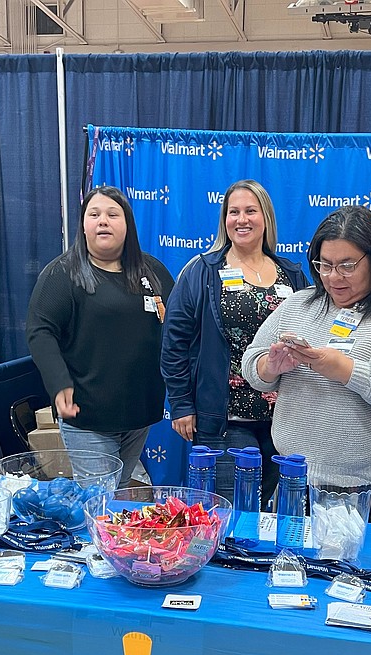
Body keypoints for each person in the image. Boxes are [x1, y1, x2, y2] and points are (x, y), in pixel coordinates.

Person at [241, 205, 371, 527]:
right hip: (301, 480)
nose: (333, 277)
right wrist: (270, 366)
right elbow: (253, 362)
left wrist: (349, 371)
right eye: (324, 265)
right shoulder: (299, 305)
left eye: (347, 266)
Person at [161, 180, 308, 503]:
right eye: (233, 212)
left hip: (281, 419)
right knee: (232, 510)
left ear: (265, 217)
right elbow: (174, 343)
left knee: (267, 510)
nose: (242, 219)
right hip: (225, 420)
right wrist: (181, 404)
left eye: (250, 211)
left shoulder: (292, 275)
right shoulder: (202, 272)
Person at [26, 186, 174, 486]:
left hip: (138, 414)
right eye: (94, 214)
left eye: (112, 214)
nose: (103, 221)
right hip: (87, 415)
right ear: (83, 224)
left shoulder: (152, 271)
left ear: (127, 224)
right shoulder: (62, 274)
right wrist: (59, 383)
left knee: (118, 494)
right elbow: (40, 330)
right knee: (99, 501)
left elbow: (178, 326)